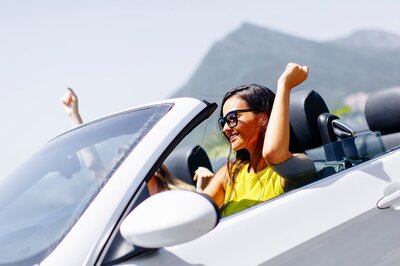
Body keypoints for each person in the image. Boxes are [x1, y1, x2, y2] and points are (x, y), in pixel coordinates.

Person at [196, 62, 315, 217]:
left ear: (263, 118)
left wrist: (284, 86)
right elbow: (196, 214)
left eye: (232, 118)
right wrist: (199, 191)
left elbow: (272, 153)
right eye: (223, 121)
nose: (225, 128)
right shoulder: (229, 174)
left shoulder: (298, 164)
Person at [61, 88, 195, 195]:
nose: (124, 178)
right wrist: (73, 116)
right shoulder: (129, 205)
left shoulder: (179, 195)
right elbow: (95, 169)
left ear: (151, 169)